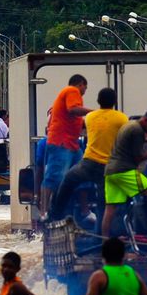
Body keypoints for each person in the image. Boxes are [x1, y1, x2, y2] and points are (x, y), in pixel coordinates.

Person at [50, 87, 127, 220]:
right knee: (104, 201)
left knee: (67, 182)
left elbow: (80, 127)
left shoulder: (90, 117)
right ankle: (103, 232)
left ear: (98, 101)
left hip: (88, 164)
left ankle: (55, 216)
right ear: (114, 102)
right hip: (108, 167)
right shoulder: (122, 118)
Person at [101, 108, 147, 238]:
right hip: (124, 170)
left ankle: (105, 241)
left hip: (111, 172)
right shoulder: (137, 131)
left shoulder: (130, 125)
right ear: (146, 120)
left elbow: (129, 145)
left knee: (110, 208)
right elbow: (138, 158)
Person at [42, 75, 91, 214]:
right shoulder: (72, 91)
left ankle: (85, 211)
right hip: (61, 143)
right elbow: (73, 109)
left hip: (72, 144)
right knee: (54, 176)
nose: (85, 91)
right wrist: (94, 112)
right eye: (85, 88)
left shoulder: (69, 95)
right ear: (81, 84)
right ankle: (45, 212)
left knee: (83, 175)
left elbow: (76, 121)